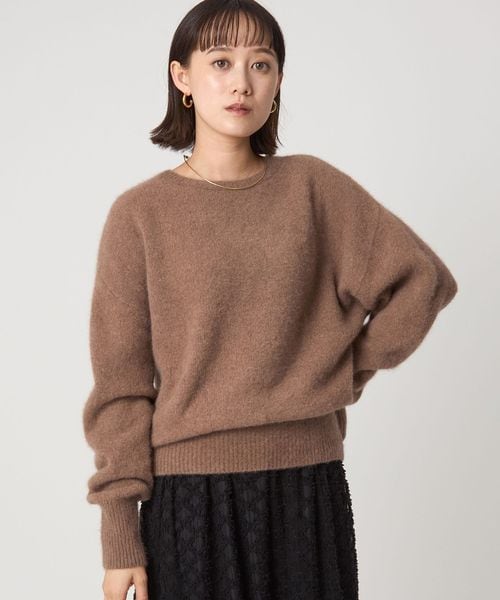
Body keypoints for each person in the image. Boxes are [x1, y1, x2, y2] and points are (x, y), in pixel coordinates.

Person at [82, 1, 459, 599]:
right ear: (182, 77)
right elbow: (120, 387)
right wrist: (120, 534)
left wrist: (342, 372)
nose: (241, 82)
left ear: (278, 80)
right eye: (220, 62)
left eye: (260, 64)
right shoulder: (140, 215)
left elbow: (422, 281)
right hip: (188, 499)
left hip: (305, 490)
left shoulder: (312, 188)